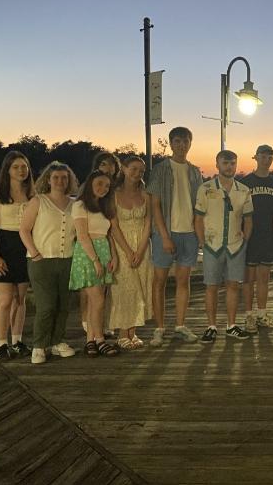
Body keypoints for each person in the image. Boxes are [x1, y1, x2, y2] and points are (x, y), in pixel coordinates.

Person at [146, 126, 203, 347]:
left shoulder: (195, 171)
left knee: (183, 281)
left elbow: (199, 206)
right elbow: (155, 205)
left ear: (190, 143)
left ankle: (180, 325)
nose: (181, 145)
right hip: (165, 234)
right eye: (177, 141)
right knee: (159, 282)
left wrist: (199, 234)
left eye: (185, 141)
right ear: (171, 143)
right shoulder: (161, 169)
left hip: (189, 234)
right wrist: (164, 235)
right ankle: (159, 328)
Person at [19, 162, 78, 364]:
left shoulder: (75, 204)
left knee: (63, 305)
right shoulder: (38, 201)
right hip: (41, 261)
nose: (60, 181)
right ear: (48, 180)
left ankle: (57, 341)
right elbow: (24, 229)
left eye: (64, 177)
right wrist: (35, 253)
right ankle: (38, 345)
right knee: (46, 306)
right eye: (56, 177)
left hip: (68, 260)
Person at [195, 150, 253, 343]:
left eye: (233, 163)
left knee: (233, 286)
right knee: (211, 286)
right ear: (217, 164)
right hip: (212, 245)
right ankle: (211, 326)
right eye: (226, 163)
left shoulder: (243, 190)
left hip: (235, 245)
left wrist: (245, 240)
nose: (229, 166)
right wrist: (202, 241)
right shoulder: (205, 188)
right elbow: (198, 218)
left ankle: (231, 325)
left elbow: (248, 219)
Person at [0, 151, 35, 360]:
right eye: (16, 167)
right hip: (2, 246)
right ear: (7, 170)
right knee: (5, 299)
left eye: (24, 166)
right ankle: (1, 344)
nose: (21, 170)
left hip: (24, 247)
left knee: (20, 299)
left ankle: (17, 341)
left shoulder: (32, 194)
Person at [69, 170, 119, 357]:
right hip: (87, 253)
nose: (103, 189)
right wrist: (96, 261)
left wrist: (113, 256)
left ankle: (90, 341)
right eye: (99, 184)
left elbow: (109, 235)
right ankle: (100, 340)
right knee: (98, 300)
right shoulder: (80, 205)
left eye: (107, 186)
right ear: (90, 183)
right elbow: (82, 235)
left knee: (94, 302)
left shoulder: (105, 207)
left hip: (104, 251)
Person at [108, 155, 152, 349]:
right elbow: (113, 225)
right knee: (124, 289)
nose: (137, 174)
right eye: (133, 169)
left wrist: (141, 250)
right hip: (121, 244)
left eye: (141, 171)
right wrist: (127, 251)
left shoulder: (146, 194)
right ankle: (122, 333)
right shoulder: (114, 194)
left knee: (140, 288)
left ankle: (133, 332)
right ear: (124, 169)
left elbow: (149, 222)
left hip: (142, 245)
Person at [241, 145, 273, 332]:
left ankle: (262, 314)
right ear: (256, 157)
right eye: (263, 156)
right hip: (250, 236)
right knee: (248, 278)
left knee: (264, 278)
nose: (266, 160)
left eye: (269, 157)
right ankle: (249, 316)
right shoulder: (245, 182)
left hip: (268, 236)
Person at [80, 152, 121, 337]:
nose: (108, 168)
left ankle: (102, 324)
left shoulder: (114, 189)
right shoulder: (88, 189)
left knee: (106, 286)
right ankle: (86, 322)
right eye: (104, 164)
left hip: (109, 241)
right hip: (88, 245)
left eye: (112, 164)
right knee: (89, 288)